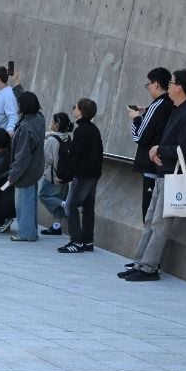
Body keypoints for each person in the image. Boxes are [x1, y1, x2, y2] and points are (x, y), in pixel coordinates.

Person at [122, 69, 186, 282]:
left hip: (173, 177)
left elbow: (184, 149)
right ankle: (140, 262)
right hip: (163, 173)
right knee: (150, 220)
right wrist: (157, 150)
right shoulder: (177, 110)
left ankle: (148, 268)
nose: (169, 85)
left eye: (172, 82)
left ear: (179, 88)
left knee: (159, 223)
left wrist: (158, 150)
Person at [58, 98, 103, 254]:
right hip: (93, 175)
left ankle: (76, 241)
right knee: (88, 208)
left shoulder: (80, 131)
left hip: (82, 175)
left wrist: (65, 175)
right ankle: (88, 241)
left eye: (75, 107)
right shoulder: (94, 129)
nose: (73, 109)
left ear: (81, 111)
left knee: (71, 206)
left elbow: (75, 155)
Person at [129, 67, 173, 221]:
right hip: (165, 164)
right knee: (156, 215)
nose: (148, 88)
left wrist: (136, 118)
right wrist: (146, 112)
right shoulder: (172, 104)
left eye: (148, 84)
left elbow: (139, 136)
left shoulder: (157, 105)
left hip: (150, 164)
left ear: (156, 84)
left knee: (148, 212)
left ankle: (146, 245)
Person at [6, 91, 44, 242]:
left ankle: (26, 233)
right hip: (35, 168)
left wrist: (13, 174)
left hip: (25, 171)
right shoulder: (39, 119)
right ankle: (30, 231)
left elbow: (22, 156)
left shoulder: (26, 127)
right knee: (30, 201)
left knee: (24, 204)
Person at [39, 112, 72, 235]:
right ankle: (57, 226)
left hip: (52, 176)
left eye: (52, 122)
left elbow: (48, 159)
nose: (50, 124)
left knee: (44, 196)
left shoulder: (52, 140)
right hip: (65, 176)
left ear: (57, 124)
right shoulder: (67, 137)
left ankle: (65, 204)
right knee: (58, 198)